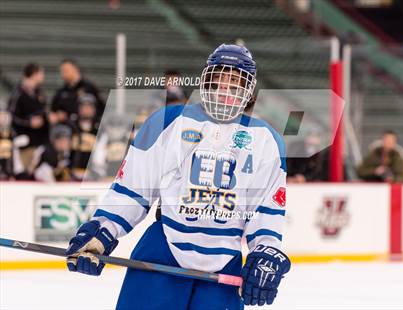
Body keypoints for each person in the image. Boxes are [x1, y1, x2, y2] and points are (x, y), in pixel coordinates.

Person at [65, 44, 291, 309]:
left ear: (249, 90)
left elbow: (266, 211)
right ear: (207, 80)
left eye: (235, 82)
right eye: (219, 79)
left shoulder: (267, 140)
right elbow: (133, 189)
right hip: (162, 247)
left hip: (225, 258)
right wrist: (104, 230)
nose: (225, 90)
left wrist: (266, 250)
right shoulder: (168, 121)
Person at [7, 63, 49, 171]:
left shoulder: (39, 92)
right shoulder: (18, 93)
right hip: (25, 142)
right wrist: (28, 123)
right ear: (34, 74)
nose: (43, 76)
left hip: (40, 140)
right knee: (25, 173)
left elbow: (42, 111)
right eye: (41, 73)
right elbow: (11, 116)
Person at [50, 59, 104, 124]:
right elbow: (53, 111)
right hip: (67, 129)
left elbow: (101, 108)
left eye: (65, 70)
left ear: (75, 69)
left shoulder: (89, 88)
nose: (62, 74)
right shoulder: (61, 92)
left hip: (87, 128)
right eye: (61, 71)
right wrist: (57, 116)